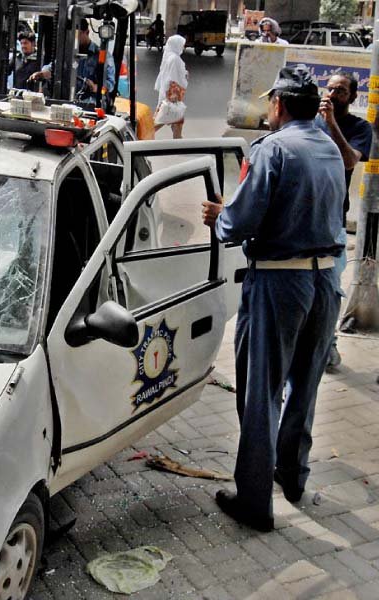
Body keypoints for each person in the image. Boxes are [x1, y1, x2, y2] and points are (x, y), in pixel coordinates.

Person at [201, 66, 344, 532]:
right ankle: (292, 474)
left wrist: (220, 216)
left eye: (270, 103)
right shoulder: (328, 146)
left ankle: (255, 501)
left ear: (280, 104)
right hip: (324, 282)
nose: (267, 111)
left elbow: (241, 221)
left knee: (262, 391)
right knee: (304, 385)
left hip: (281, 283)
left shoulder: (274, 149)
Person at [315, 71, 373, 370]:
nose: (333, 94)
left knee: (329, 290)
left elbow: (351, 160)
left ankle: (329, 346)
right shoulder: (310, 121)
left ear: (352, 97)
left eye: (340, 90)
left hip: (333, 223)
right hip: (304, 222)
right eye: (330, 88)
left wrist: (332, 125)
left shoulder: (359, 127)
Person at [153, 35, 188, 139]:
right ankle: (144, 135)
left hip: (172, 92)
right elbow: (173, 77)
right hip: (173, 93)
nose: (183, 47)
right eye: (182, 45)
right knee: (164, 117)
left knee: (176, 117)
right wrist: (173, 95)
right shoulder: (174, 59)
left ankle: (178, 140)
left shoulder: (171, 57)